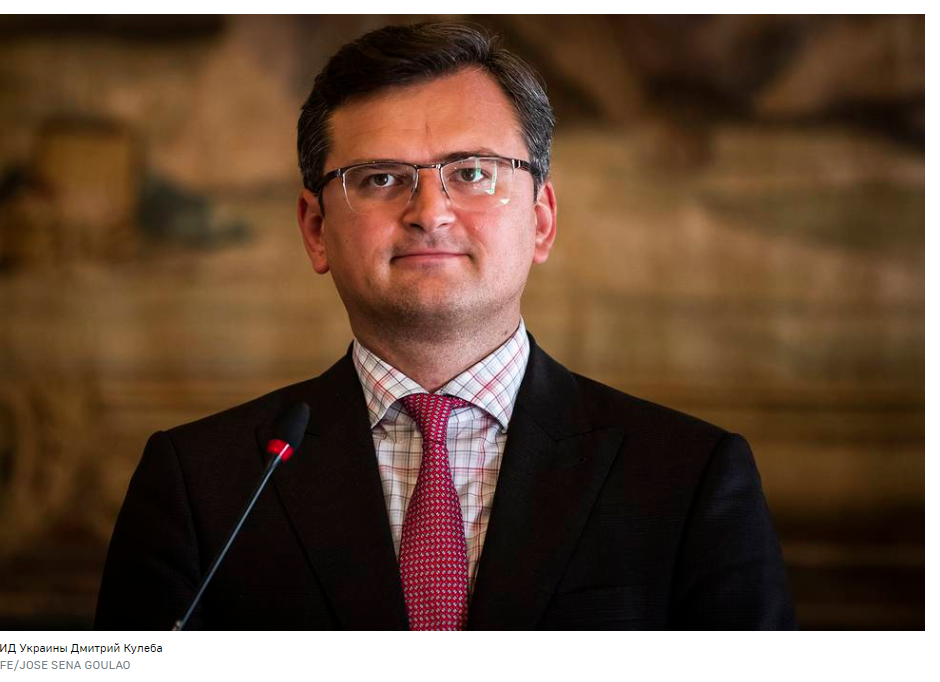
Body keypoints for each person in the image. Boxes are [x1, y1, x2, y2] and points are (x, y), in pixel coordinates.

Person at [95, 22, 796, 630]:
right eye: (379, 178)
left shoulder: (690, 476)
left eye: (472, 173)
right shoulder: (201, 482)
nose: (429, 212)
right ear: (315, 229)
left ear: (541, 220)